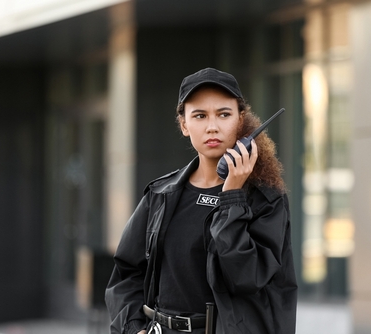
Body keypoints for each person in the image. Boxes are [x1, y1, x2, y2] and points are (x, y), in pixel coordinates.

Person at [105, 67, 298, 334]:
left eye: (224, 114)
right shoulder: (161, 194)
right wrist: (133, 328)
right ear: (184, 124)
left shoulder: (265, 200)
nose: (212, 126)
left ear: (240, 120)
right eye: (199, 115)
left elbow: (247, 277)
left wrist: (232, 196)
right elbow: (126, 274)